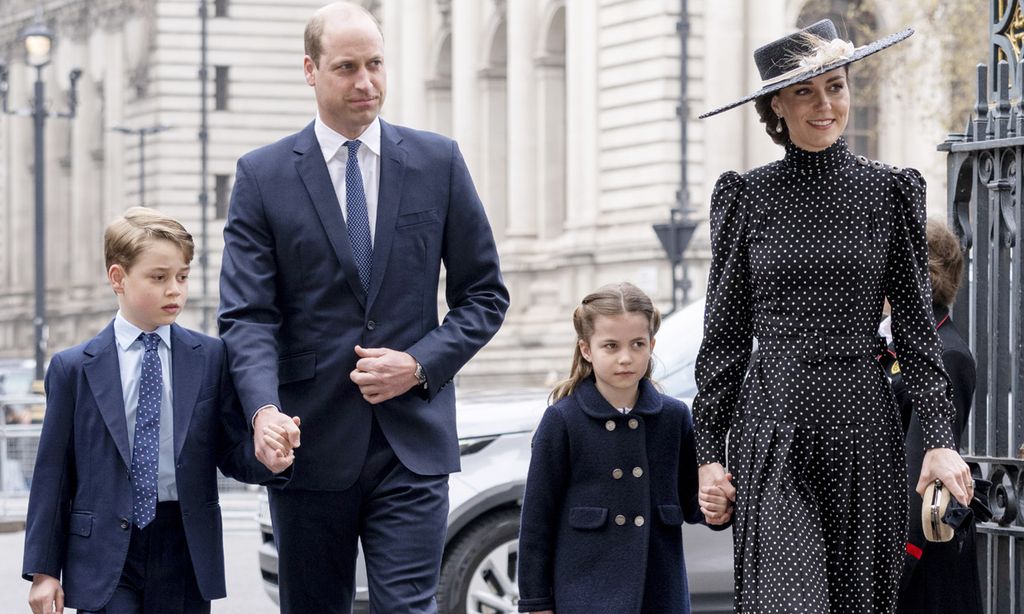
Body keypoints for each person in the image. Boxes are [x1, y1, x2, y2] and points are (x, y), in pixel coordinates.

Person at [217, 2, 509, 612]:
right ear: (310, 70)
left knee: (408, 606)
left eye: (375, 64)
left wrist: (421, 364)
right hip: (308, 439)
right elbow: (248, 315)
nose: (366, 82)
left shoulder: (439, 162)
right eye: (347, 67)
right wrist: (262, 410)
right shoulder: (263, 176)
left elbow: (484, 295)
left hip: (413, 440)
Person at [692, 19, 974, 613]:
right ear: (777, 105)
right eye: (806, 91)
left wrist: (940, 442)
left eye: (837, 87)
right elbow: (722, 341)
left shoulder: (889, 192)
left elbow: (917, 331)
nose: (826, 105)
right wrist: (709, 457)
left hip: (864, 434)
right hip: (775, 429)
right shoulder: (746, 197)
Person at [22, 207, 285, 614]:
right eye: (158, 278)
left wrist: (268, 456)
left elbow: (230, 452)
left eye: (182, 276)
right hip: (105, 554)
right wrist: (43, 571)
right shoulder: (74, 368)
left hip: (184, 546)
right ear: (118, 278)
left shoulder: (210, 357)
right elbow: (53, 476)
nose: (175, 290)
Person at [516, 283, 733, 614]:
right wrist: (536, 602)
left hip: (660, 593)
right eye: (611, 346)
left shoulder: (674, 417)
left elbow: (692, 499)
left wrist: (715, 508)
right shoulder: (563, 420)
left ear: (652, 345)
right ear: (586, 350)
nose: (626, 358)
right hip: (584, 593)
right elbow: (536, 521)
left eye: (637, 344)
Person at [881, 219, 983, 614]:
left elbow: (917, 471)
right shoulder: (896, 342)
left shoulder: (947, 352)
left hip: (923, 557)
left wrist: (894, 570)